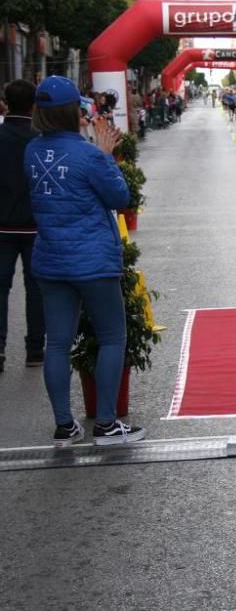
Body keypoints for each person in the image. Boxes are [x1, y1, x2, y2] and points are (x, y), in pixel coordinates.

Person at [24, 76, 144, 446]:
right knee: (112, 337)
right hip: (92, 261)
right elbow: (119, 195)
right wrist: (106, 156)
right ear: (75, 110)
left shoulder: (31, 151)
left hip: (50, 258)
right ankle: (106, 424)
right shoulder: (89, 154)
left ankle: (65, 425)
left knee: (57, 343)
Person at [0, 80, 45, 372]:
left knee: (0, 288)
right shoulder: (41, 139)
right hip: (35, 226)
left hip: (1, 226)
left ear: (6, 102)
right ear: (33, 105)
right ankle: (35, 349)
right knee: (36, 288)